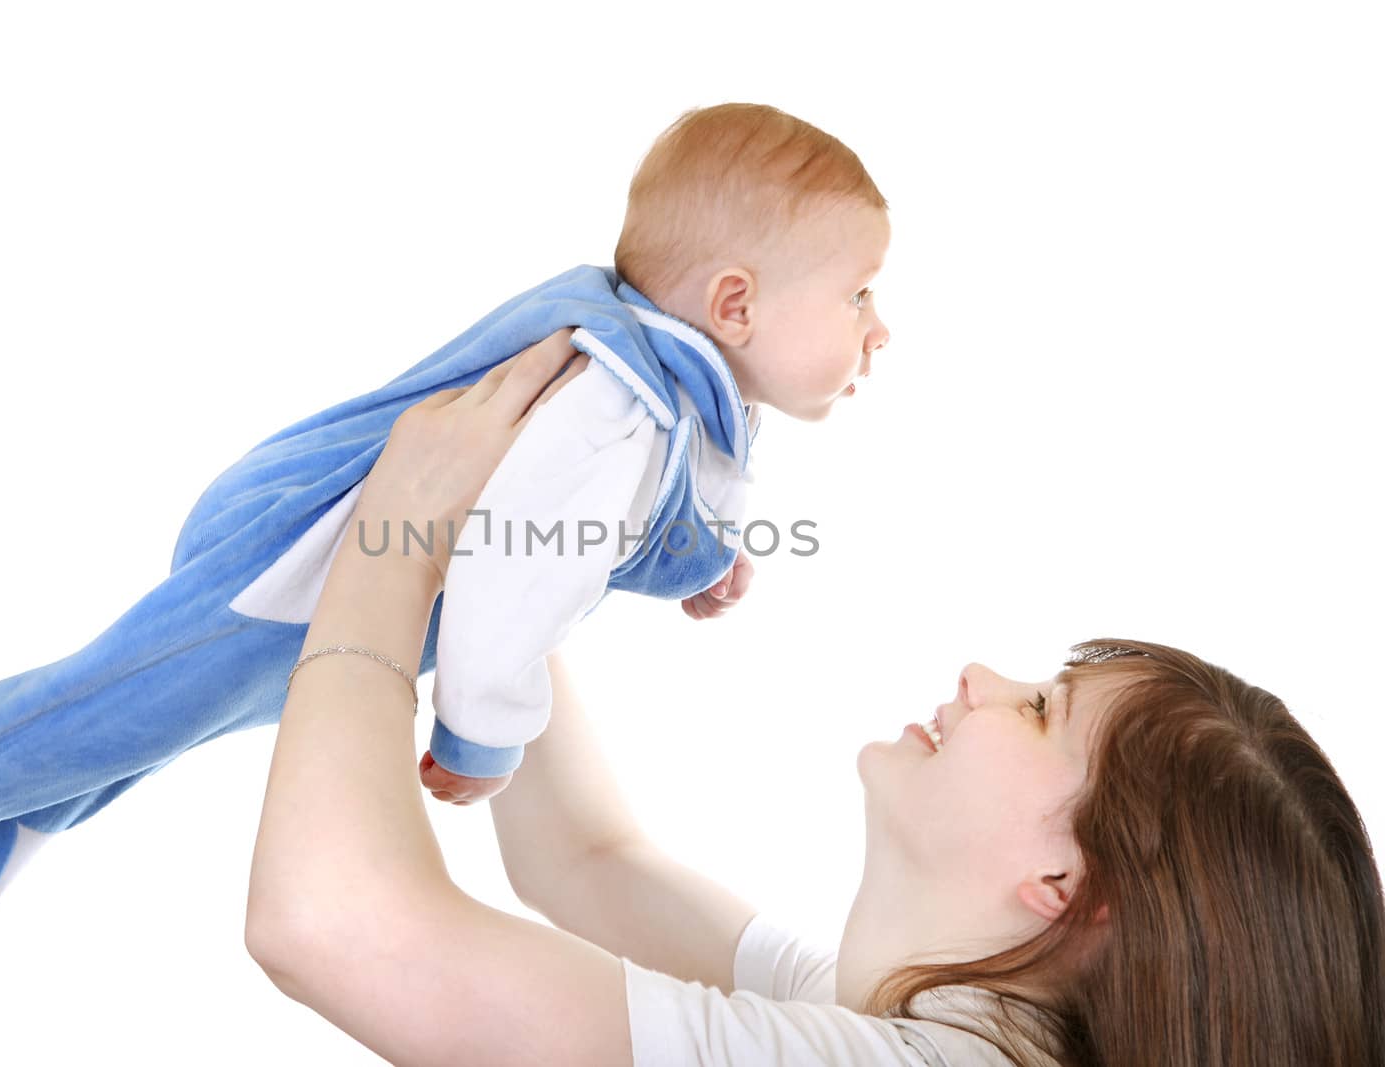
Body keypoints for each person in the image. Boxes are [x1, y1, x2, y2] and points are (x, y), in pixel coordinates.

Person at [0, 101, 892, 922]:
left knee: (205, 709)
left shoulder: (666, 383)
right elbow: (514, 578)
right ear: (735, 303)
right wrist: (481, 733)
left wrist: (695, 560)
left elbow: (619, 518)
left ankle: (39, 800)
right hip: (303, 547)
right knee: (139, 690)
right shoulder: (617, 400)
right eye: (858, 293)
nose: (878, 329)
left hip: (363, 580)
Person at [245, 333, 1385, 1066]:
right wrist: (505, 559)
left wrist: (401, 532)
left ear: (1062, 883)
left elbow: (334, 925)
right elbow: (590, 862)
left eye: (1039, 708)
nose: (979, 679)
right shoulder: (919, 1020)